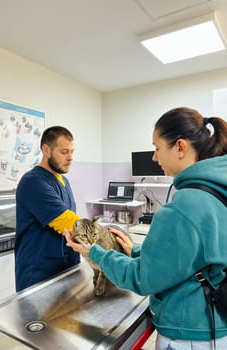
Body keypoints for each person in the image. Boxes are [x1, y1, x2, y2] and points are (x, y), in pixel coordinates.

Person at [65, 107, 227, 350]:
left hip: (189, 334)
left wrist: (95, 253)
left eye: (157, 147)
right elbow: (194, 257)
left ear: (180, 147)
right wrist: (138, 251)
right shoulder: (217, 192)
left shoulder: (184, 206)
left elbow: (142, 278)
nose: (154, 157)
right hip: (215, 323)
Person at [15, 126, 80, 292]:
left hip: (66, 267)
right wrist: (105, 239)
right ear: (46, 150)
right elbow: (68, 222)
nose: (70, 157)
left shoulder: (63, 181)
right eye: (64, 152)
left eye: (72, 151)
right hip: (39, 272)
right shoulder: (33, 182)